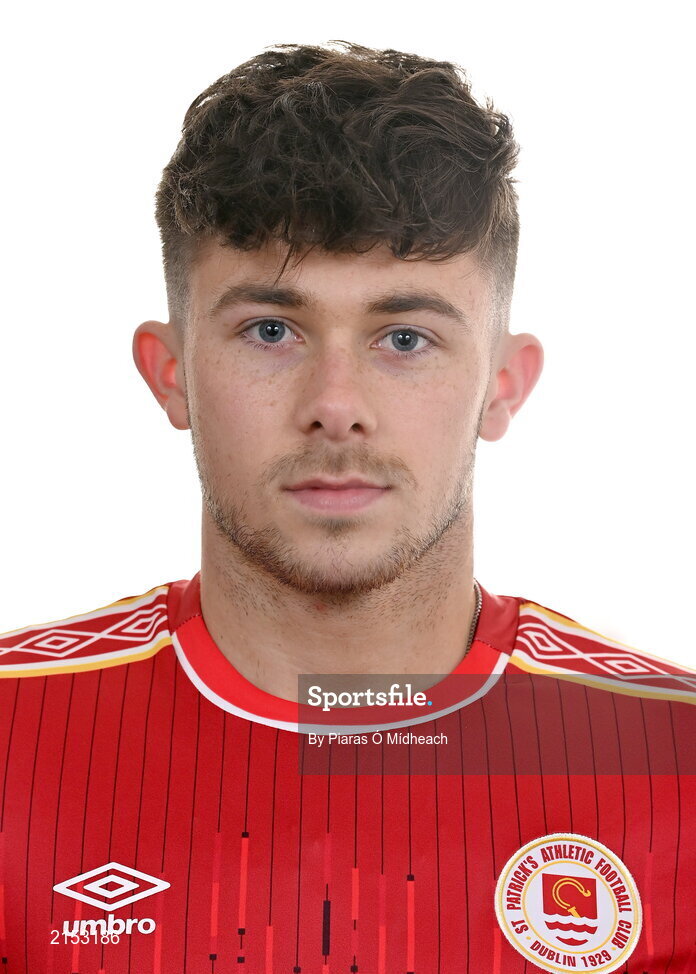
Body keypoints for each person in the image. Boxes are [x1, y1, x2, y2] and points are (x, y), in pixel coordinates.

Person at [0, 41, 693, 974]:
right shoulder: (12, 735)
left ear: (502, 384)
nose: (336, 404)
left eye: (404, 337)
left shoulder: (677, 764)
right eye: (271, 330)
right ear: (171, 375)